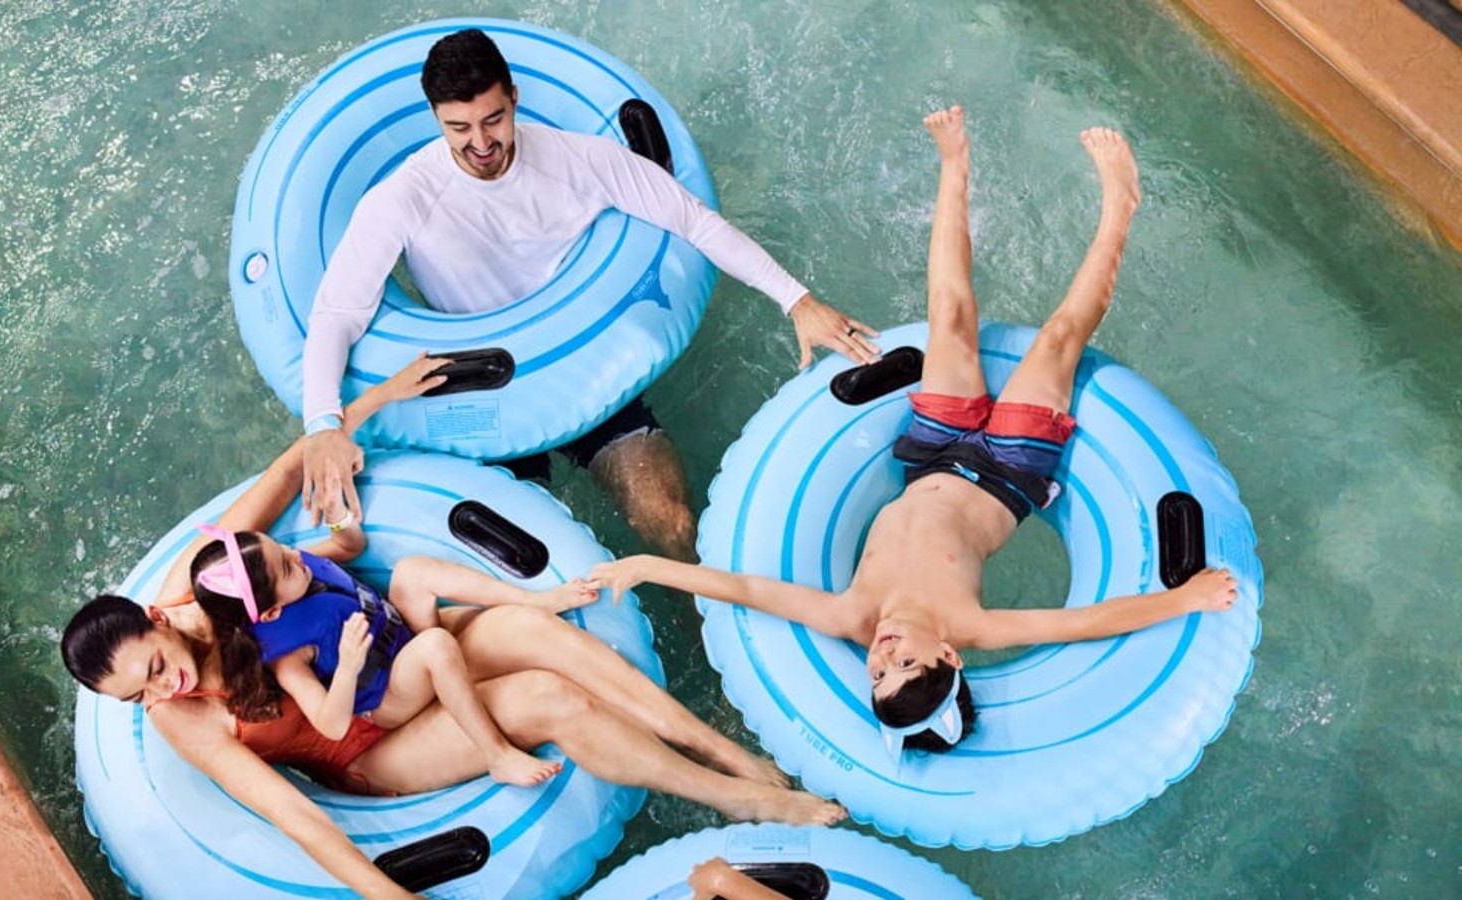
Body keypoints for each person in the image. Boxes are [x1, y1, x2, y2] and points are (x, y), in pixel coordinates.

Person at [588, 107, 1238, 758]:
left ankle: (955, 164)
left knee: (948, 317)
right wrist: (1187, 599)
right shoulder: (969, 624)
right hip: (1010, 470)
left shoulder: (854, 614)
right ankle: (1121, 204)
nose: (884, 655)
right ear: (948, 654)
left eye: (875, 673)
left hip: (929, 458)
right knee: (1059, 338)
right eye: (905, 665)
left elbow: (751, 590)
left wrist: (649, 566)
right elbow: (1083, 622)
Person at [61, 364, 844, 900]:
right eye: (140, 695)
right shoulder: (185, 719)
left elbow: (283, 480)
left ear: (159, 620)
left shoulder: (209, 584)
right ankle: (734, 798)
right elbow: (294, 815)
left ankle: (722, 747)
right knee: (542, 696)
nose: (165, 690)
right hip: (367, 749)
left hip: (390, 664)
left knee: (537, 637)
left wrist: (350, 416)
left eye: (156, 666)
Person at [300, 27, 882, 562]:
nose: (481, 142)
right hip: (485, 397)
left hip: (583, 369)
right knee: (516, 561)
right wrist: (324, 423)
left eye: (493, 119)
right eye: (459, 128)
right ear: (435, 118)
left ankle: (705, 621)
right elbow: (337, 313)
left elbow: (693, 220)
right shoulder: (403, 196)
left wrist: (798, 300)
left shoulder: (578, 159)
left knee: (669, 521)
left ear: (515, 98)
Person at [188, 515, 597, 787]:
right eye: (286, 567)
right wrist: (347, 668)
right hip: (388, 697)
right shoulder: (288, 658)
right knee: (435, 646)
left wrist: (338, 517)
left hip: (397, 640)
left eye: (282, 548)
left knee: (412, 571)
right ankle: (497, 755)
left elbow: (350, 544)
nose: (296, 555)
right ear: (273, 609)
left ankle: (535, 599)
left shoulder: (299, 567)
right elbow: (331, 725)